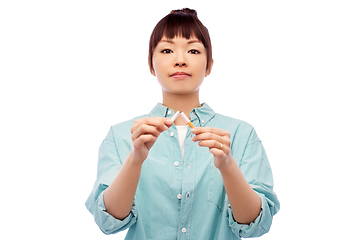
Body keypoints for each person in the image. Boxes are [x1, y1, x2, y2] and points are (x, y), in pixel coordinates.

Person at [86, 8, 279, 239]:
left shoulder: (241, 134)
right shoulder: (121, 136)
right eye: (167, 50)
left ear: (209, 65)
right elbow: (108, 222)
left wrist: (227, 165)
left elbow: (255, 224)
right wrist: (135, 159)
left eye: (193, 50)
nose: (180, 60)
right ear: (151, 64)